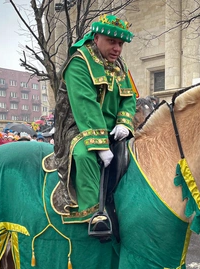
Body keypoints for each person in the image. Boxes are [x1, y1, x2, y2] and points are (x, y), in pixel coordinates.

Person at [52, 14, 136, 233]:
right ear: (96, 37)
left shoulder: (120, 66)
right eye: (112, 42)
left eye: (120, 44)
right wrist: (100, 146)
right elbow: (85, 106)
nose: (117, 48)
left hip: (113, 130)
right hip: (78, 127)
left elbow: (129, 98)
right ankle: (94, 215)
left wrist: (124, 123)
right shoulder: (79, 63)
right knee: (84, 155)